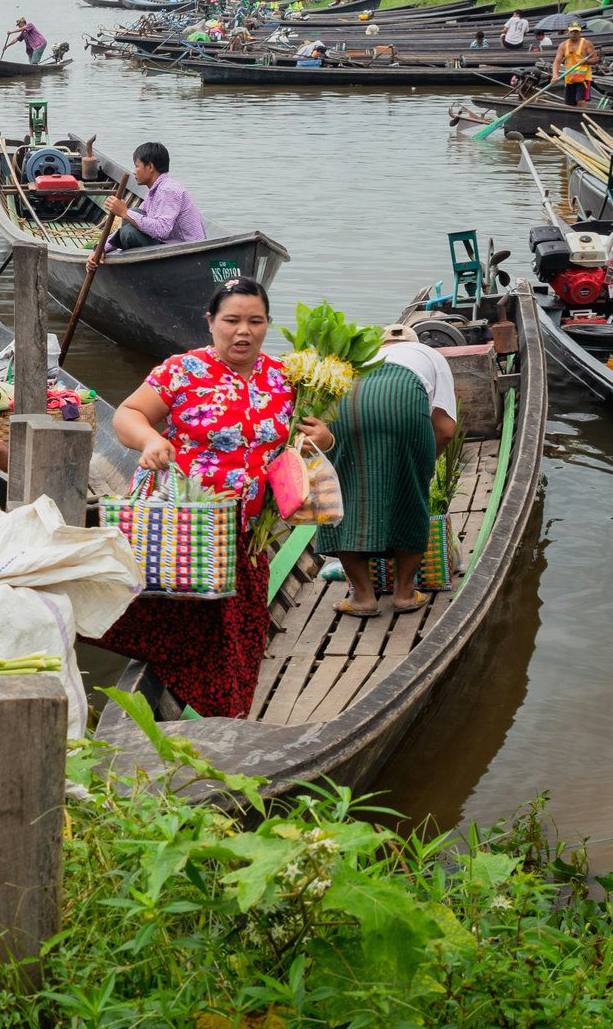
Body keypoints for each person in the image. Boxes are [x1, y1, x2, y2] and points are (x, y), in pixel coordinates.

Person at [99, 278, 318, 717]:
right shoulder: (182, 371)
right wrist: (147, 441)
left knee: (240, 645)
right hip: (190, 532)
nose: (243, 331)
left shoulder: (286, 378)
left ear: (267, 324)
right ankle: (212, 710)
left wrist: (322, 437)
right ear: (210, 322)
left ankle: (225, 720)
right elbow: (128, 415)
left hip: (251, 535)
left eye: (255, 321)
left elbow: (305, 439)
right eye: (232, 320)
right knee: (188, 629)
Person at [317, 323, 457, 616]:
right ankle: (404, 594)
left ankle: (363, 597)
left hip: (345, 398)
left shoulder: (356, 360)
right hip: (402, 393)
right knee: (410, 499)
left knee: (344, 495)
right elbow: (445, 429)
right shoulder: (430, 355)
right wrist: (424, 465)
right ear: (414, 342)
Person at [87, 141, 206, 261]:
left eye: (137, 166)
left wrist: (125, 212)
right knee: (133, 215)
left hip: (188, 253)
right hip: (170, 246)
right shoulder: (154, 191)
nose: (134, 171)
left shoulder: (168, 190)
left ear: (150, 167)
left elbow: (162, 230)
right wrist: (100, 249)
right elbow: (136, 218)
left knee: (128, 232)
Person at [552, 23, 598, 105]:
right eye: (572, 31)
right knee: (569, 104)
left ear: (580, 32)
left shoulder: (586, 43)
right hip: (570, 77)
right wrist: (555, 75)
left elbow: (595, 59)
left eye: (576, 31)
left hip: (583, 77)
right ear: (568, 32)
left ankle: (583, 116)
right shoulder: (563, 45)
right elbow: (557, 62)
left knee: (580, 101)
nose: (574, 33)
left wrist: (586, 61)